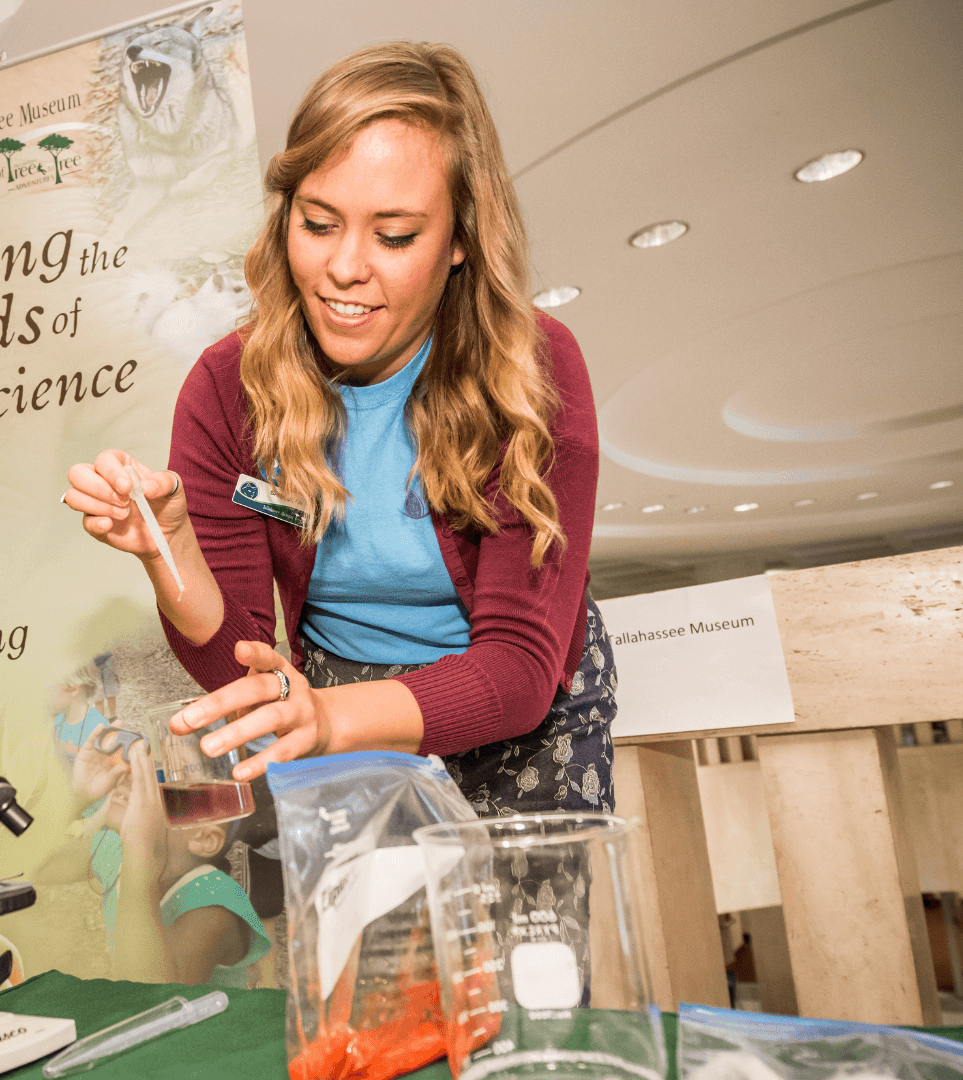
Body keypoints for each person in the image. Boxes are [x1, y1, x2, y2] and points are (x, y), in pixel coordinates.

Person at [61, 42, 615, 818]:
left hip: (515, 721)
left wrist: (328, 718)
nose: (344, 269)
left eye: (394, 236)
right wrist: (172, 552)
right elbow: (242, 671)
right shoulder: (229, 390)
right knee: (375, 940)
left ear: (460, 239)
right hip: (333, 703)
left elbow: (517, 671)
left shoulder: (531, 371)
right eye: (319, 224)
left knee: (522, 944)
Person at [35, 730, 269, 986]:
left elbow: (149, 996)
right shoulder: (116, 852)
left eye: (160, 776)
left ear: (203, 838)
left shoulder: (211, 907)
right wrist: (77, 797)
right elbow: (38, 868)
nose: (130, 775)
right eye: (137, 766)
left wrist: (138, 849)